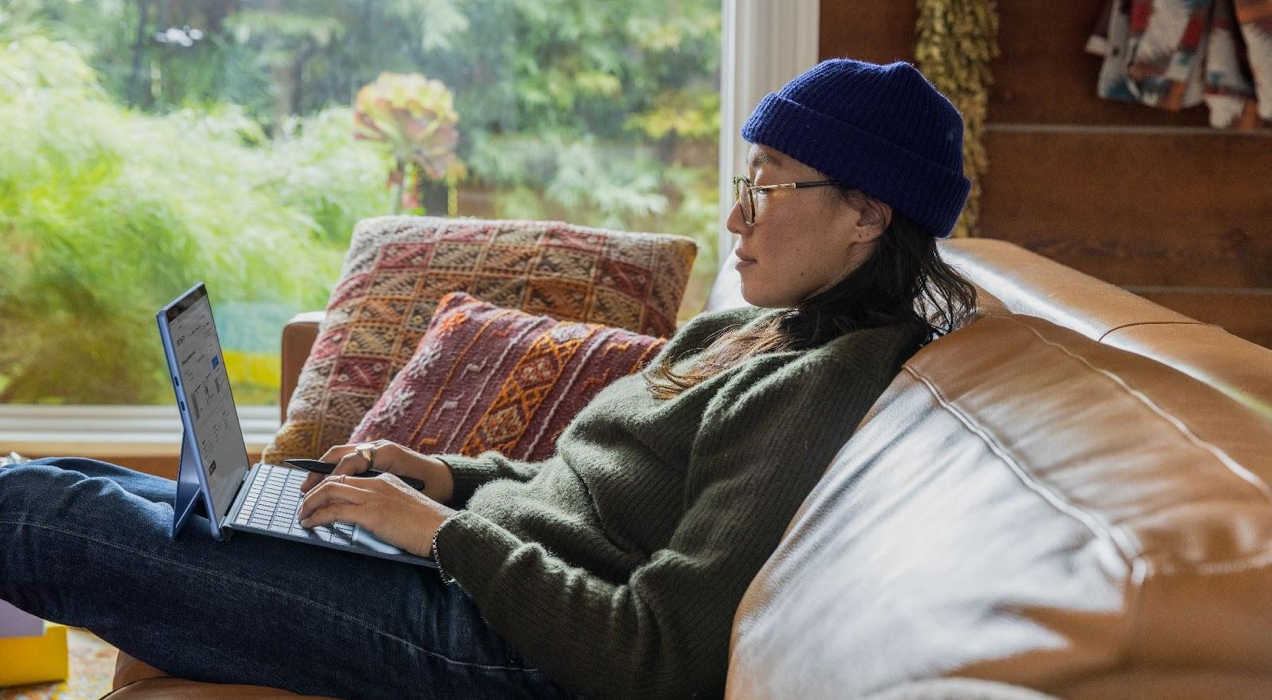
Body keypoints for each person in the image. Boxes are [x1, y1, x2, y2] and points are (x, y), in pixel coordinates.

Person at [0, 58, 978, 700]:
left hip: (495, 647)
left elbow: (657, 653)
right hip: (470, 577)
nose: (738, 217)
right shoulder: (751, 329)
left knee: (36, 512)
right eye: (743, 183)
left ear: (868, 214)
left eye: (769, 184)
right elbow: (589, 507)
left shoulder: (823, 383)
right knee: (87, 481)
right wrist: (442, 477)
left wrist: (443, 533)